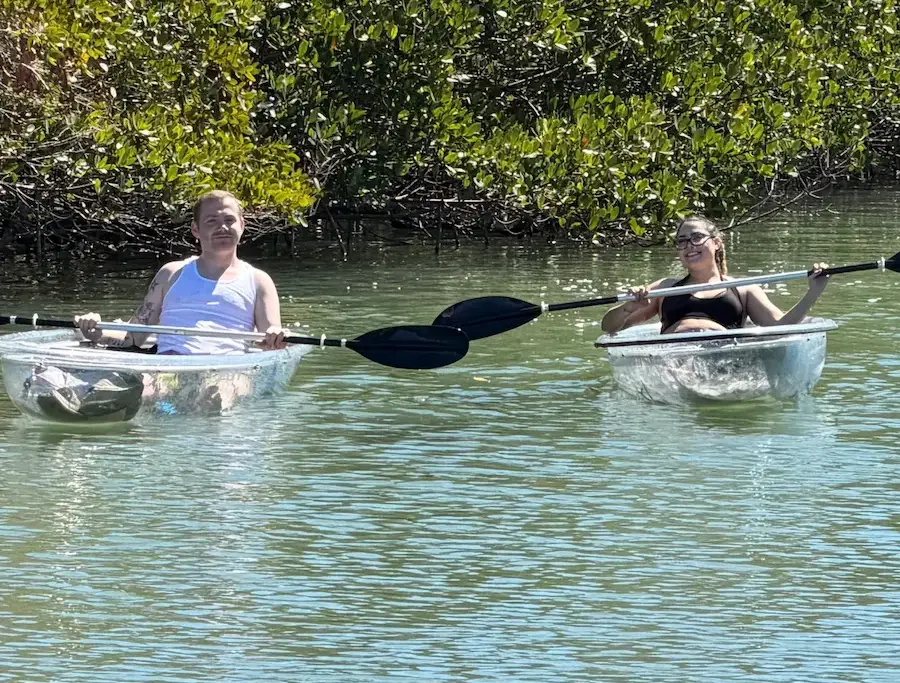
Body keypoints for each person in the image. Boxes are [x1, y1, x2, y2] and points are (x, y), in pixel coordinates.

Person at [76, 190, 287, 353]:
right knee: (147, 392)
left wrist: (275, 336)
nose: (223, 228)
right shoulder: (170, 274)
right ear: (196, 230)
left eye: (229, 220)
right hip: (170, 364)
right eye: (212, 221)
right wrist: (96, 331)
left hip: (228, 370)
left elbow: (269, 343)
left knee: (214, 397)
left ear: (242, 225)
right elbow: (133, 339)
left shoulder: (259, 281)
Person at [601, 216, 829, 334]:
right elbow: (609, 328)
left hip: (723, 360)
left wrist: (813, 292)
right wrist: (626, 308)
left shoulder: (744, 289)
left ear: (717, 243)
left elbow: (780, 326)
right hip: (674, 360)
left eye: (697, 238)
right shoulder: (665, 288)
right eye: (682, 241)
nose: (689, 245)